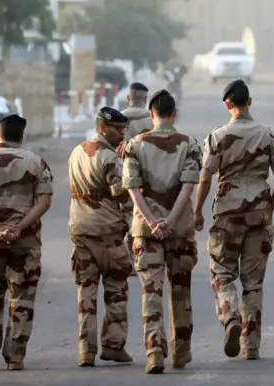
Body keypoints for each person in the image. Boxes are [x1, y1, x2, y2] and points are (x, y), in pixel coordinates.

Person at [194, 79, 274, 361]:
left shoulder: (217, 137)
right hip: (258, 214)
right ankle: (251, 346)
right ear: (250, 102)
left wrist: (197, 211)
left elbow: (205, 177)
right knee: (253, 283)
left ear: (227, 104)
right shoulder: (268, 135)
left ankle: (230, 316)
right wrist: (269, 205)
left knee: (222, 273)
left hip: (227, 214)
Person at [122, 89, 201, 374]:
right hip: (179, 229)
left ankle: (154, 351)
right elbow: (188, 186)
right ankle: (180, 352)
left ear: (151, 114)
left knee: (150, 291)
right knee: (180, 290)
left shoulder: (134, 145)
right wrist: (170, 220)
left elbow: (132, 188)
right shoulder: (190, 144)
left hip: (146, 231)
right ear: (174, 113)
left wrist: (153, 220)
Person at [0, 114, 53, 371]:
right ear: (21, 137)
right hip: (25, 241)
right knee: (22, 296)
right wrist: (19, 227)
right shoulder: (37, 163)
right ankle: (15, 356)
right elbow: (44, 201)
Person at [68, 107, 134, 367]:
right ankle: (113, 345)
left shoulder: (76, 152)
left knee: (86, 290)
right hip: (107, 232)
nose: (122, 133)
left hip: (80, 231)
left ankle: (86, 350)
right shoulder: (110, 158)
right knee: (117, 287)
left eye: (123, 129)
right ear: (103, 127)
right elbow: (122, 194)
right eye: (118, 129)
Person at [120, 82, 154, 276]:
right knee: (142, 216)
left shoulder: (117, 119)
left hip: (120, 175)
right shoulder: (152, 120)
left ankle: (127, 258)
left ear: (128, 98)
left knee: (124, 217)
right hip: (146, 177)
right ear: (145, 99)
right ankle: (141, 256)